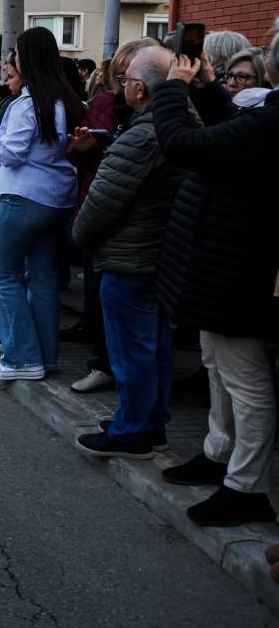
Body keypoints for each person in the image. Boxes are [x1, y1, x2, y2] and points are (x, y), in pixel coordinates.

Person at [152, 33, 279, 527]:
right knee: (218, 366)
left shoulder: (271, 120)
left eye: (268, 52)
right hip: (226, 263)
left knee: (245, 380)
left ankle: (246, 486)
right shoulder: (266, 116)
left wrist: (172, 89)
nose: (264, 56)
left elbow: (184, 145)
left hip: (242, 267)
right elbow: (232, 131)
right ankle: (219, 453)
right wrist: (205, 89)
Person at [72, 47, 185, 458]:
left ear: (140, 88)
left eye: (126, 79)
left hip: (129, 255)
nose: (122, 87)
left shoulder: (142, 135)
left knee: (132, 350)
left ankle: (132, 429)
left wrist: (80, 236)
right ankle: (151, 423)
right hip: (159, 253)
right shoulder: (180, 125)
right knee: (153, 346)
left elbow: (102, 202)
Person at [0, 26, 83, 380]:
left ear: (28, 58)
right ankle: (43, 356)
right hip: (54, 198)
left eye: (17, 53)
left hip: (22, 197)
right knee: (42, 278)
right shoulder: (60, 99)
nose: (13, 59)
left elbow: (12, 154)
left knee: (2, 274)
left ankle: (21, 357)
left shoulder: (27, 103)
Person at [64, 38, 158, 394]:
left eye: (127, 76)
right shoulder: (109, 106)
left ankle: (134, 412)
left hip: (131, 230)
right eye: (119, 75)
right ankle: (108, 366)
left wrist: (82, 229)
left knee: (134, 329)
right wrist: (87, 145)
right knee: (106, 302)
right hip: (104, 209)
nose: (122, 83)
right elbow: (77, 153)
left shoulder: (154, 123)